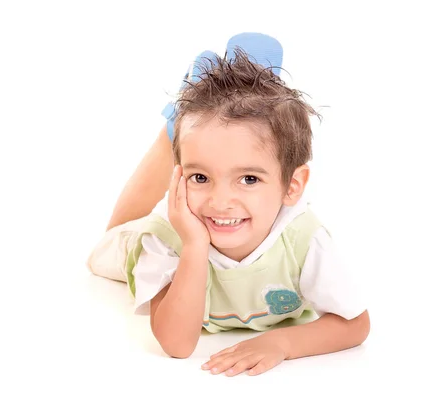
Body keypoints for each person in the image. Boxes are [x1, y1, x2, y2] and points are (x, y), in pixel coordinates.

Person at [86, 34, 370, 377]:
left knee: (227, 141)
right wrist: (193, 246)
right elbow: (178, 345)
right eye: (200, 177)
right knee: (109, 240)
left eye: (249, 179)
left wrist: (282, 343)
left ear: (292, 186)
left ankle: (238, 94)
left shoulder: (304, 238)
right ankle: (174, 131)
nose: (220, 203)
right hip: (151, 236)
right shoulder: (166, 237)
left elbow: (355, 324)